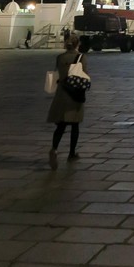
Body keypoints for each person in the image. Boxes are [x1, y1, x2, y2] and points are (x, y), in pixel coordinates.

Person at [46, 33, 88, 168]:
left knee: (61, 126)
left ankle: (54, 149)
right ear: (77, 44)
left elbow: (59, 72)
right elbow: (84, 75)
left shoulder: (60, 57)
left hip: (62, 93)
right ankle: (71, 153)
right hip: (75, 94)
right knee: (75, 125)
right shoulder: (80, 57)